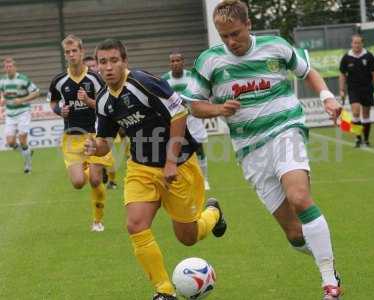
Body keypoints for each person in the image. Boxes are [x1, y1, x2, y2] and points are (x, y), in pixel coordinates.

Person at [181, 1, 343, 299]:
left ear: (249, 25)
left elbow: (308, 72)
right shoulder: (209, 61)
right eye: (224, 36)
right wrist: (218, 108)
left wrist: (327, 97)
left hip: (285, 130)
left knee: (300, 198)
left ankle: (329, 281)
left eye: (236, 33)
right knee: (294, 235)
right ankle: (326, 261)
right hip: (249, 150)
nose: (231, 41)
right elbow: (193, 105)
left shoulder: (276, 47)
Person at [84, 39, 227, 300]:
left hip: (179, 165)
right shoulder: (104, 99)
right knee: (135, 224)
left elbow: (179, 114)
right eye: (103, 62)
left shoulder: (143, 83)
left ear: (124, 62)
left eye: (114, 60)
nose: (108, 67)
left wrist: (171, 161)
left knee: (188, 237)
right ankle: (164, 290)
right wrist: (95, 147)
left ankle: (213, 213)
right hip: (140, 168)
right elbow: (105, 141)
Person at [48, 34, 113, 232]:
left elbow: (106, 105)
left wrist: (88, 102)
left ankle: (97, 220)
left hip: (95, 135)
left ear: (82, 52)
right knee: (77, 183)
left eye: (74, 50)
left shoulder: (94, 78)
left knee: (94, 180)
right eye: (67, 52)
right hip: (71, 139)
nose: (71, 55)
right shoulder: (59, 81)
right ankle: (92, 168)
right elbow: (53, 102)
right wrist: (60, 111)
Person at [162, 51, 211, 190]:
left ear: (183, 62)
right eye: (172, 61)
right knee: (175, 149)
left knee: (199, 148)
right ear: (169, 63)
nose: (175, 63)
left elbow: (200, 94)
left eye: (178, 60)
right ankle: (179, 180)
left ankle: (204, 180)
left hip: (193, 119)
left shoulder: (191, 77)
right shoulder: (164, 80)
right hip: (175, 121)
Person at [339, 34, 374, 147]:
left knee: (366, 114)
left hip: (367, 88)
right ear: (351, 44)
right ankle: (358, 139)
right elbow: (342, 74)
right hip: (353, 89)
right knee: (355, 112)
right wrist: (342, 90)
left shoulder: (368, 56)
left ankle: (366, 140)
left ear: (362, 43)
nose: (357, 45)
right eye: (355, 43)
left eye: (359, 43)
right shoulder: (346, 57)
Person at [83, 54, 119, 189]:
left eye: (94, 65)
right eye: (89, 67)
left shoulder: (105, 81)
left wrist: (87, 101)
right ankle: (104, 175)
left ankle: (112, 180)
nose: (92, 68)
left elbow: (104, 105)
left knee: (109, 153)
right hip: (89, 127)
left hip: (106, 124)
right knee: (100, 156)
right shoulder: (82, 83)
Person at [0, 57, 39, 173]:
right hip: (10, 114)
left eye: (10, 66)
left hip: (23, 112)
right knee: (10, 142)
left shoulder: (23, 79)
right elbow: (1, 92)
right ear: (4, 68)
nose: (8, 69)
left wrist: (22, 100)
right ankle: (27, 152)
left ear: (15, 67)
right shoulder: (2, 80)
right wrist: (2, 98)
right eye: (6, 67)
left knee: (22, 140)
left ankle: (28, 165)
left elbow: (36, 92)